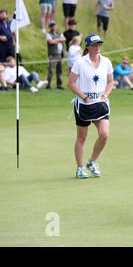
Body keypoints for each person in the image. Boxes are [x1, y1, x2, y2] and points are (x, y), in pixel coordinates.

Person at [67, 33, 114, 179]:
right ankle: (80, 168)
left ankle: (92, 162)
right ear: (88, 46)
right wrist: (84, 97)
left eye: (99, 44)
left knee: (104, 135)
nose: (98, 47)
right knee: (82, 137)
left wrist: (105, 95)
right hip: (84, 105)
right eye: (95, 45)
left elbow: (110, 81)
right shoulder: (80, 63)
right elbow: (71, 83)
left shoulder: (106, 61)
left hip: (100, 104)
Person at [46, 20, 66, 90]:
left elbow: (64, 39)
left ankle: (59, 85)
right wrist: (59, 39)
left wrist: (56, 40)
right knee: (51, 70)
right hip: (53, 55)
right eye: (51, 25)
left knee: (59, 70)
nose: (53, 27)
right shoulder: (48, 34)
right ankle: (48, 84)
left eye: (54, 25)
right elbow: (50, 41)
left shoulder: (59, 33)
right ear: (49, 27)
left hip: (60, 54)